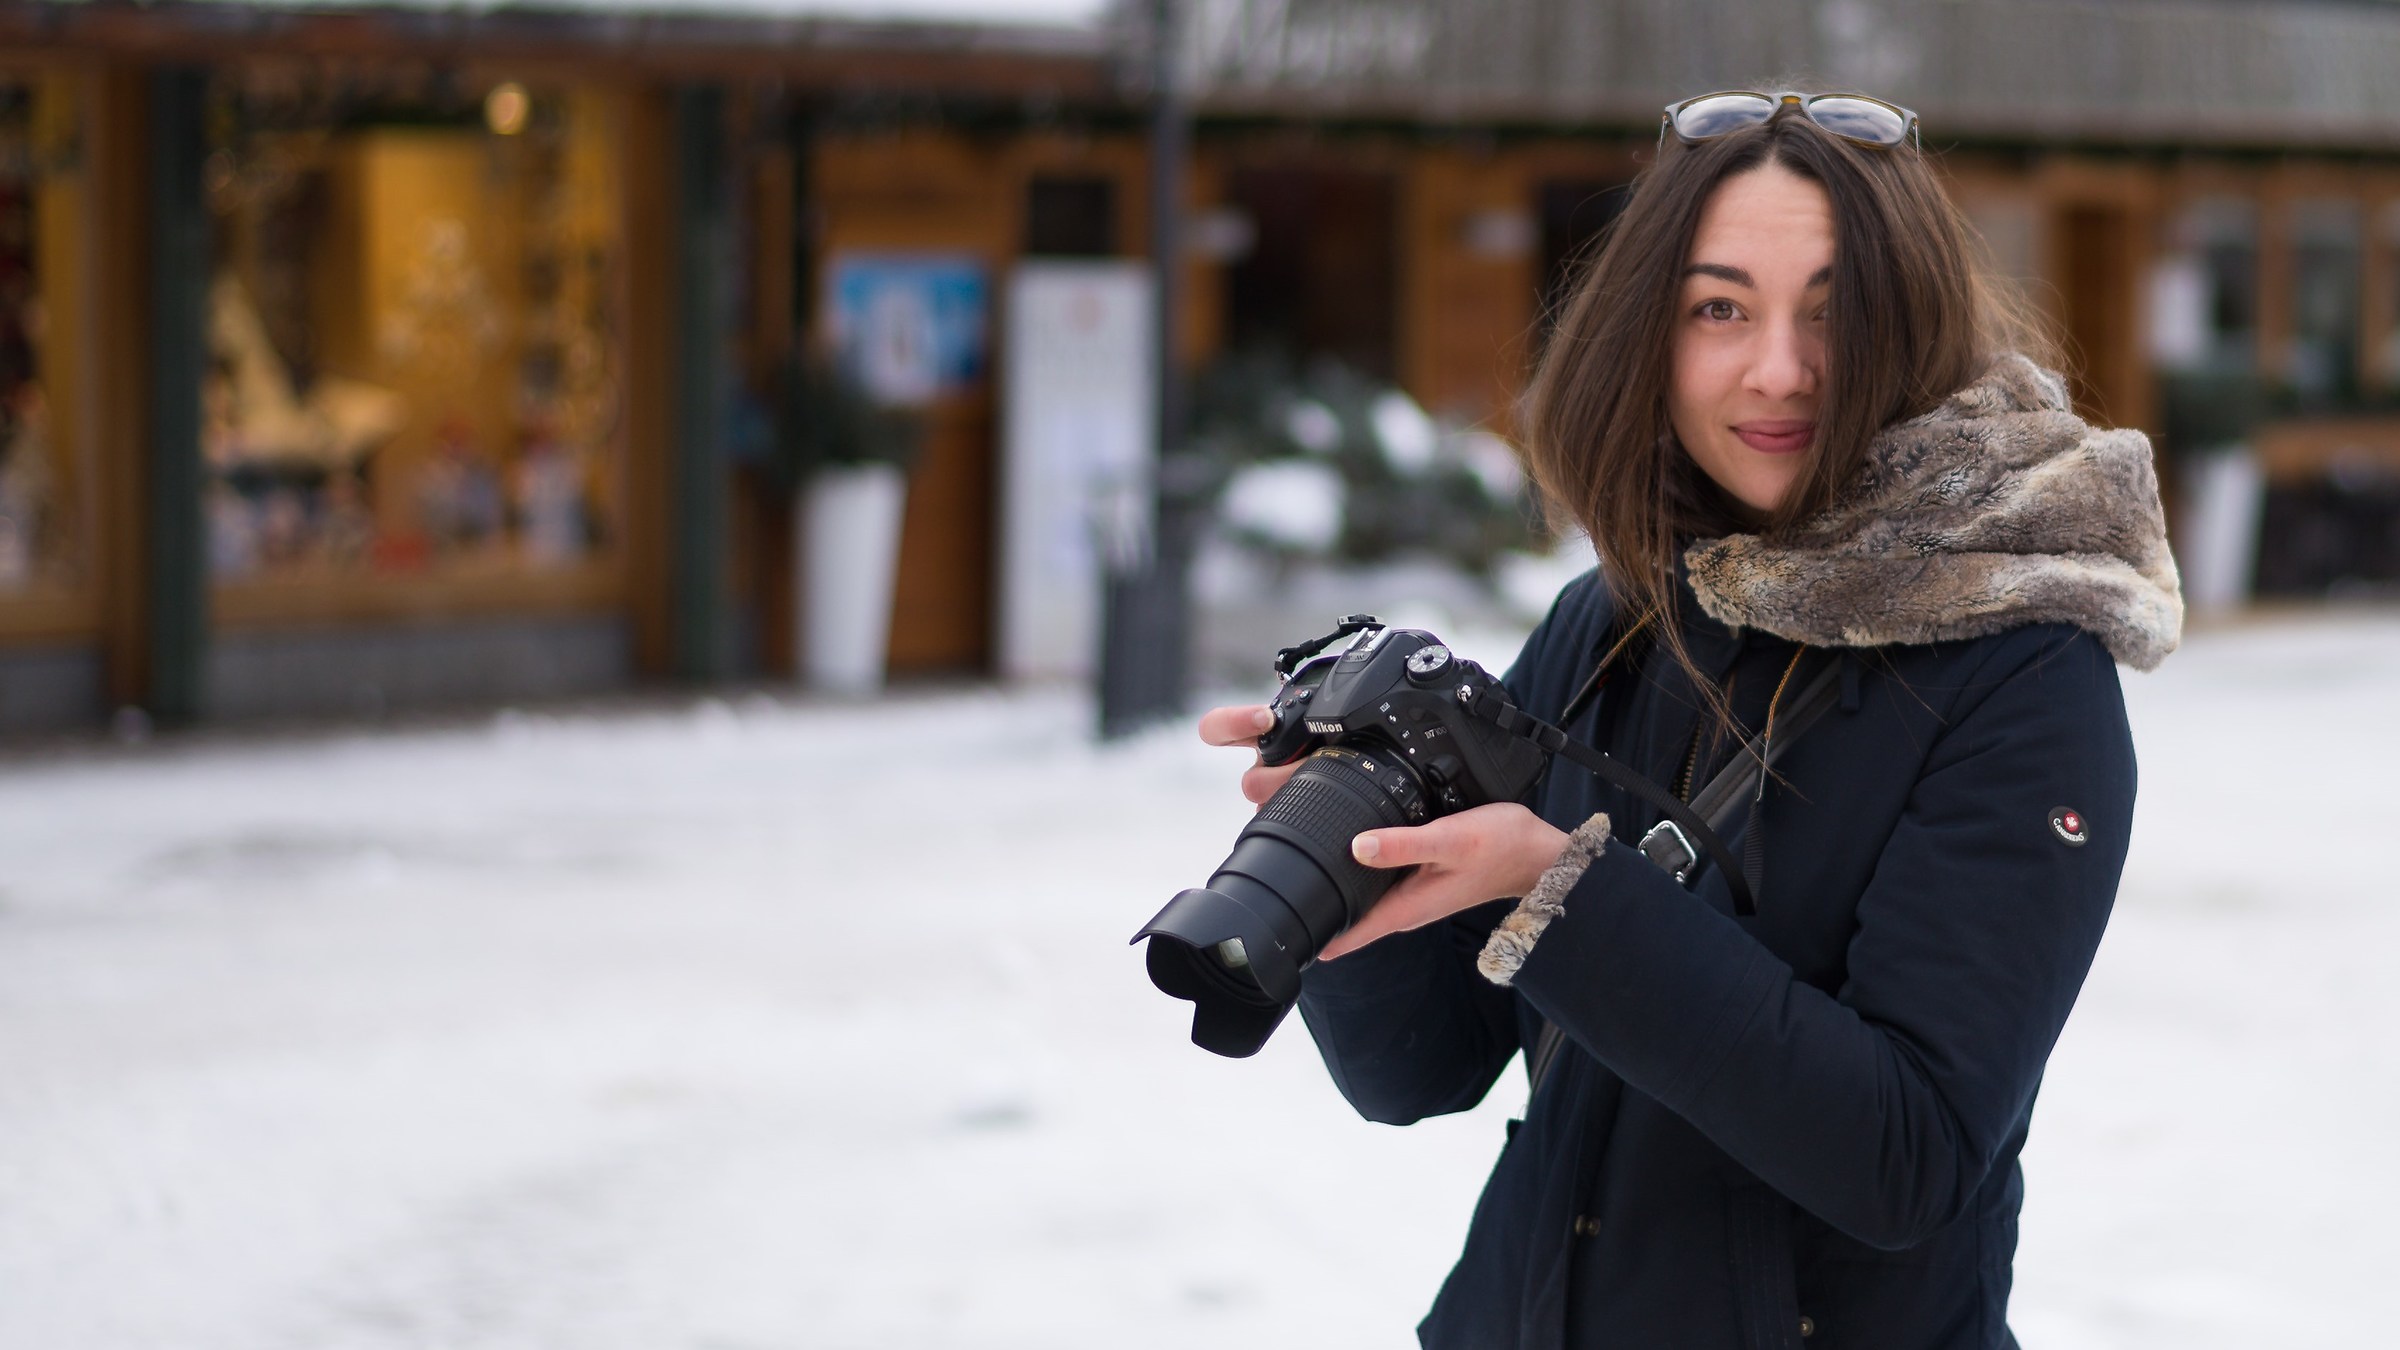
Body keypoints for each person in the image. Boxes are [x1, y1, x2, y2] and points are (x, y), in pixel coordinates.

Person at [1196, 91, 2182, 1349]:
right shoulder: (1613, 617)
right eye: (1721, 308)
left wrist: (1563, 891)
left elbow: (1908, 1155)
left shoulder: (2021, 671)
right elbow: (1421, 1073)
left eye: (1835, 314)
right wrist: (1352, 867)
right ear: (1651, 335)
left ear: (1915, 327)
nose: (1778, 369)